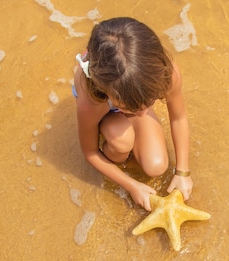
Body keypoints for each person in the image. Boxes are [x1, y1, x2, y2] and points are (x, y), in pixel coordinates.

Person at [73, 17, 192, 211]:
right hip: (105, 108)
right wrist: (131, 185)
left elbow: (179, 117)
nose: (142, 112)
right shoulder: (91, 99)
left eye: (149, 103)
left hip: (124, 92)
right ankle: (119, 152)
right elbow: (90, 152)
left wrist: (183, 172)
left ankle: (134, 108)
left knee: (157, 167)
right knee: (121, 141)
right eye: (132, 108)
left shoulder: (166, 73)